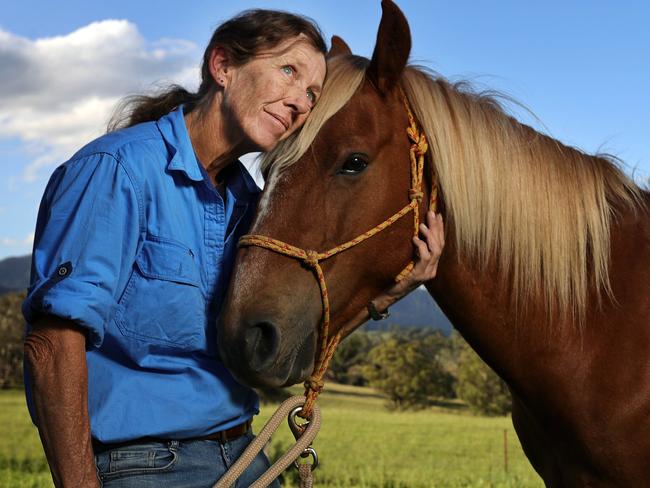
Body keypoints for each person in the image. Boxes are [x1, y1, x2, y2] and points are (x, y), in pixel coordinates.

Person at [22, 8, 445, 488]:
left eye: (311, 93)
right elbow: (53, 343)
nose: (301, 103)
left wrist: (386, 298)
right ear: (222, 66)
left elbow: (276, 340)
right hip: (142, 465)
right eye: (288, 71)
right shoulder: (117, 170)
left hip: (244, 456)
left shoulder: (249, 202)